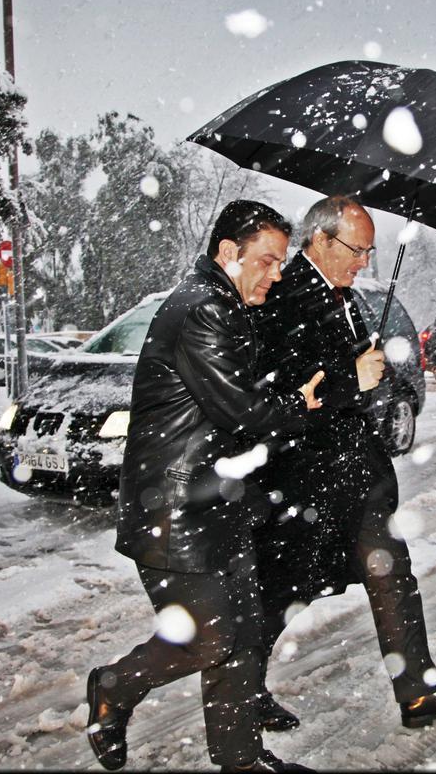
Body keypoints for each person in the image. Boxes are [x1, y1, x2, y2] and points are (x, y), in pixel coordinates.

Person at [87, 200, 324, 774]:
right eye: (266, 260)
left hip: (215, 499)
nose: (275, 273)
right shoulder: (202, 311)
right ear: (227, 253)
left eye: (281, 262)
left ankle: (241, 760)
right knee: (210, 638)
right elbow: (243, 410)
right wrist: (297, 403)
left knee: (242, 631)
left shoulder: (227, 305)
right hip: (173, 508)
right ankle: (113, 687)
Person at [251, 195, 436, 733]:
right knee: (284, 592)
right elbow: (285, 392)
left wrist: (367, 369)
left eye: (370, 251)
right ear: (319, 240)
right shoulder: (287, 296)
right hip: (309, 482)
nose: (364, 261)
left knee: (392, 575)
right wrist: (350, 379)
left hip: (355, 478)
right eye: (356, 249)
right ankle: (232, 692)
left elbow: (345, 380)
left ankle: (418, 691)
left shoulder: (339, 294)